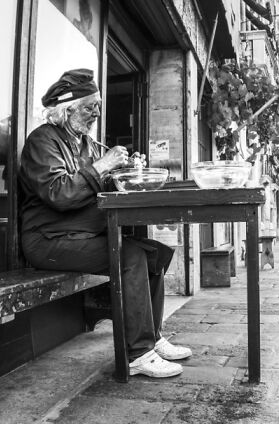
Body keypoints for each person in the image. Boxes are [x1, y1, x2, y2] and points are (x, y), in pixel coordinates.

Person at [19, 68, 191, 378]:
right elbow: (59, 194)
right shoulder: (42, 140)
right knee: (130, 255)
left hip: (80, 234)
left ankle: (151, 336)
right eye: (89, 107)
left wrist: (125, 169)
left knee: (153, 252)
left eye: (98, 106)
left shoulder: (87, 145)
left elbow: (101, 186)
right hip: (47, 240)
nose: (96, 113)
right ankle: (138, 353)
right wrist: (103, 165)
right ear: (67, 109)